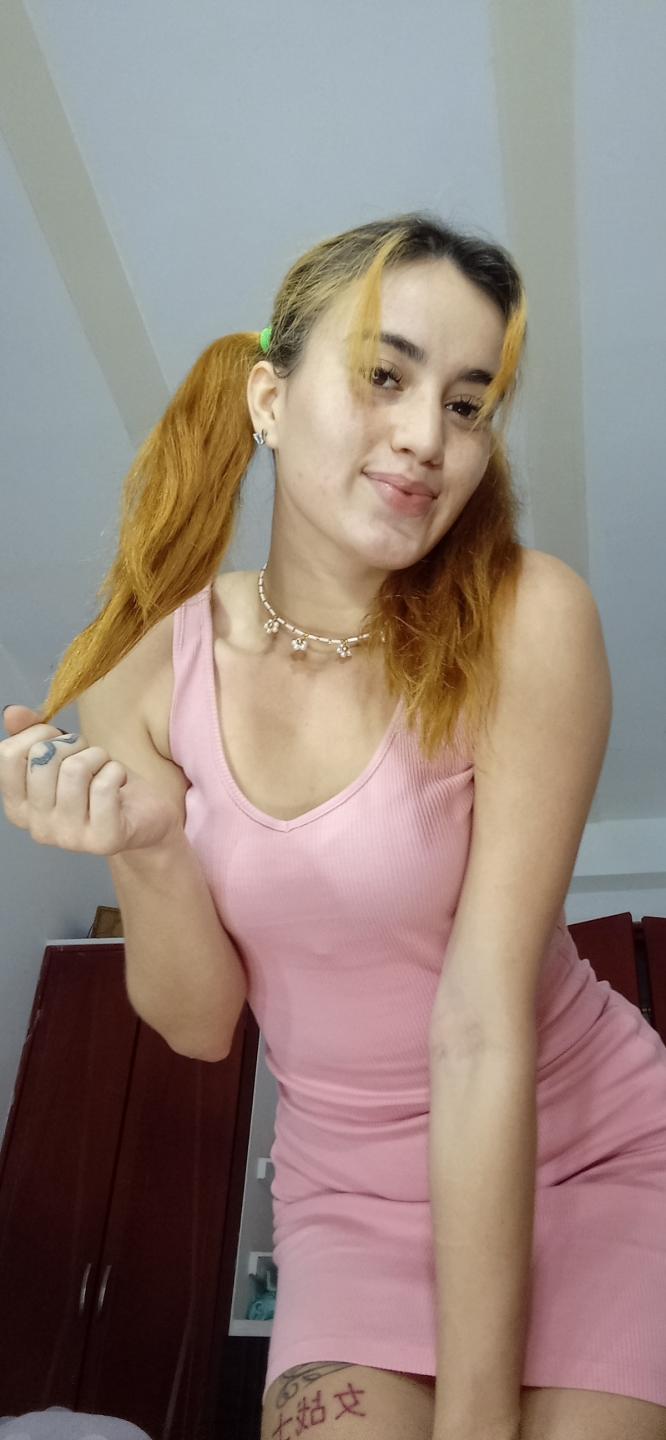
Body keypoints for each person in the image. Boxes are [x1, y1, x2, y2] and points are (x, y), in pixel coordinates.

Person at [2, 212, 666, 1440]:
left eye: (467, 404)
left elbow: (479, 1025)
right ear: (268, 398)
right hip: (348, 1204)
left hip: (583, 1153)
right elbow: (200, 1026)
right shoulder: (146, 667)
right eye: (383, 376)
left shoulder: (530, 621)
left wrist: (476, 1424)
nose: (427, 438)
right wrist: (149, 848)